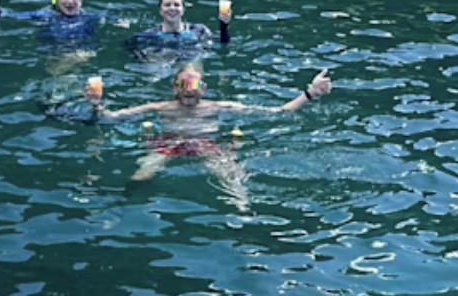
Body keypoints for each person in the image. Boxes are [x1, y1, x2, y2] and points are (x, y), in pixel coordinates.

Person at [84, 63, 332, 207]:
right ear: (175, 88)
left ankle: (243, 213)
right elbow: (113, 117)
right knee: (143, 174)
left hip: (205, 143)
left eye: (193, 85)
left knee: (231, 178)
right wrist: (97, 105)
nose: (189, 90)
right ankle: (120, 205)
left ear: (203, 88)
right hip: (169, 143)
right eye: (183, 85)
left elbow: (278, 112)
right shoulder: (162, 107)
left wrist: (309, 93)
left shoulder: (218, 107)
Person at [123, 0, 231, 60]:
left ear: (183, 10)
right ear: (160, 10)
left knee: (191, 75)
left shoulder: (199, 30)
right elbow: (130, 48)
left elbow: (222, 45)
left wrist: (224, 26)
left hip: (189, 68)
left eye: (176, 5)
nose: (172, 8)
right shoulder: (150, 35)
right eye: (167, 5)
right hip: (162, 65)